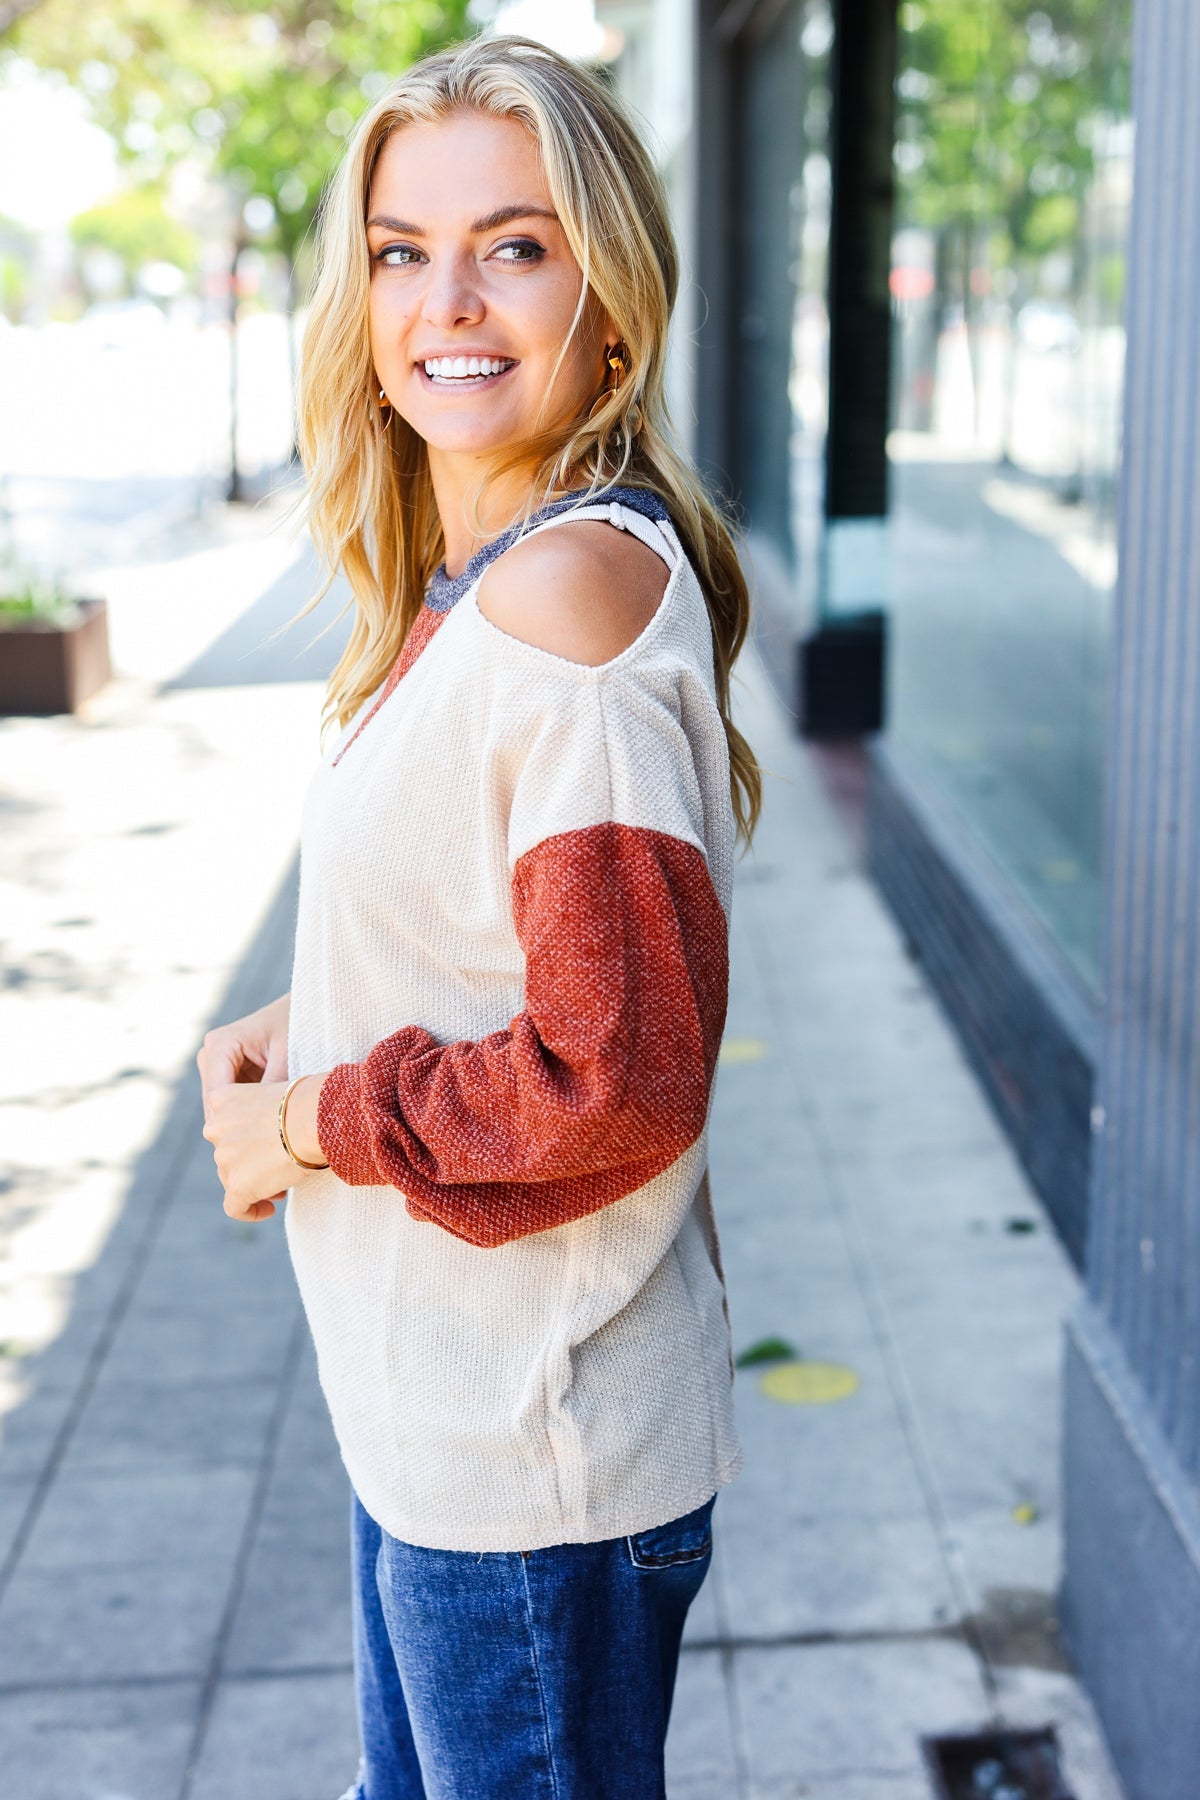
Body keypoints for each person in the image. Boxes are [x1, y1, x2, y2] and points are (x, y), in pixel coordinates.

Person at [197, 33, 761, 1800]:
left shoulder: (565, 611)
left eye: (513, 244)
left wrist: (307, 1122)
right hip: (446, 1430)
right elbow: (498, 926)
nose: (448, 299)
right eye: (400, 249)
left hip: (531, 1465)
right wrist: (334, 1005)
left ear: (610, 293)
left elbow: (615, 1078)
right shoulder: (490, 582)